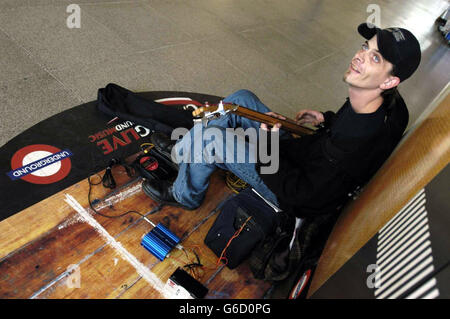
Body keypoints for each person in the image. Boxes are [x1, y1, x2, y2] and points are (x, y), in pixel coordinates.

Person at [142, 23, 421, 219]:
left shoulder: (351, 146)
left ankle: (184, 194)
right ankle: (182, 154)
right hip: (303, 154)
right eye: (365, 47)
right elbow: (347, 127)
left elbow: (301, 195)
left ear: (390, 80)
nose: (359, 57)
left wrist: (267, 144)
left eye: (375, 57)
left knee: (214, 139)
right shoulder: (386, 102)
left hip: (290, 189)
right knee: (240, 99)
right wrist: (326, 119)